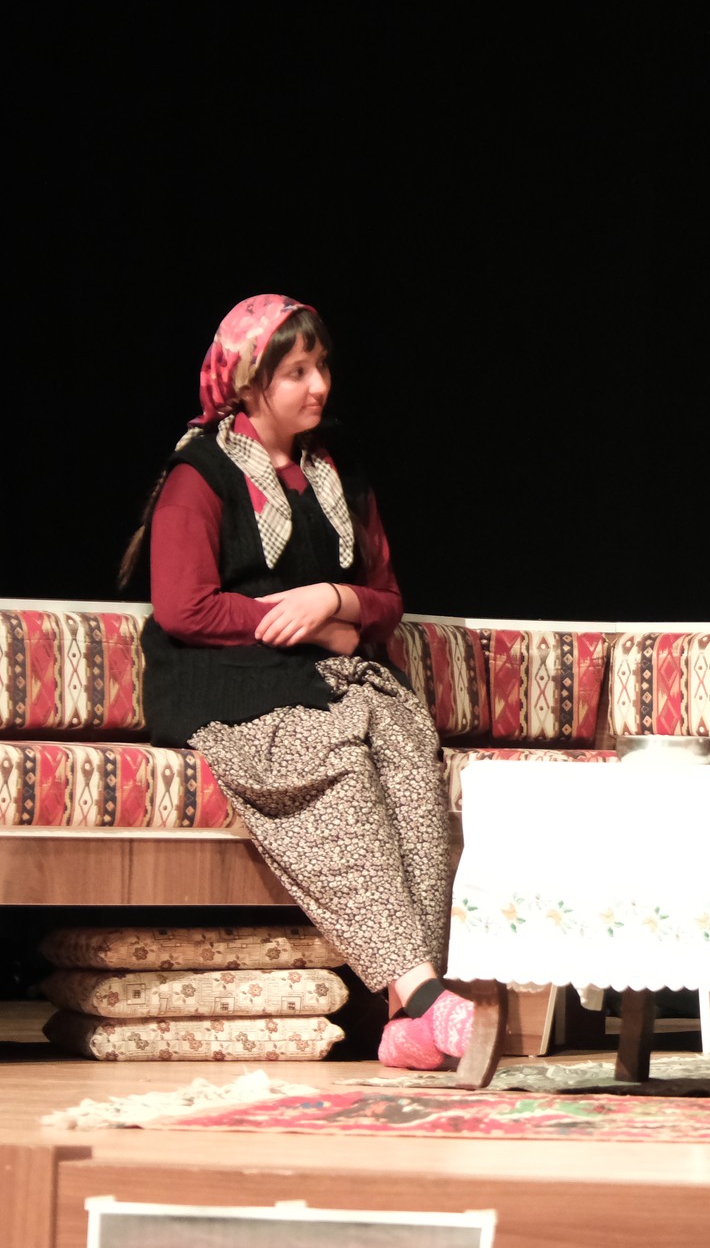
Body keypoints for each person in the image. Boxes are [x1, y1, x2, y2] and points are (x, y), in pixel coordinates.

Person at [120, 294, 472, 1071]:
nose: (319, 385)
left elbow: (385, 598)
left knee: (409, 749)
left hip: (328, 672)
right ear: (249, 383)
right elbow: (183, 607)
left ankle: (407, 1016)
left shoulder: (335, 470)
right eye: (297, 372)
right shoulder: (201, 474)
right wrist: (311, 623)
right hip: (229, 681)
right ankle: (424, 996)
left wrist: (336, 599)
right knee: (331, 763)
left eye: (321, 367)